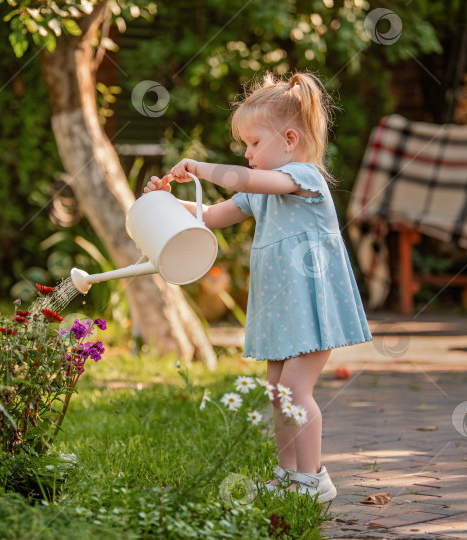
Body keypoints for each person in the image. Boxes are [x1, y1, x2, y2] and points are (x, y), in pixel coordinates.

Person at [143, 71, 372, 502]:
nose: (246, 154)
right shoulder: (262, 193)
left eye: (253, 143)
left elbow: (243, 180)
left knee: (297, 391)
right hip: (280, 308)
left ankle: (314, 479)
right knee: (278, 393)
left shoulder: (304, 179)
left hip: (310, 307)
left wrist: (198, 166)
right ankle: (289, 475)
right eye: (244, 146)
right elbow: (209, 215)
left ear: (288, 139)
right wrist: (165, 201)